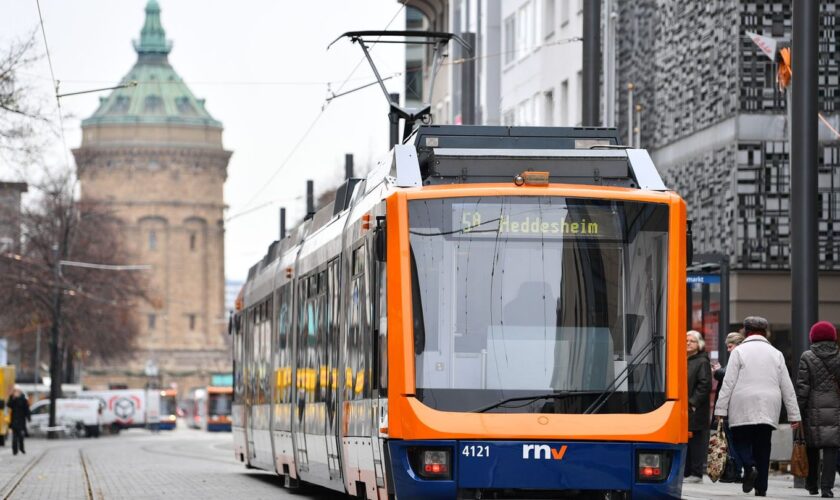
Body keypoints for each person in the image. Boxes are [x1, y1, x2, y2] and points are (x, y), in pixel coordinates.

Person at [714, 316, 801, 497]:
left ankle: (749, 466)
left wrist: (720, 410)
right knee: (763, 445)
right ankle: (761, 488)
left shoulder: (739, 352)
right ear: (765, 332)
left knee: (740, 440)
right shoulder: (776, 353)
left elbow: (728, 383)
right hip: (769, 404)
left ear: (745, 331)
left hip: (742, 403)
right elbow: (787, 385)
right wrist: (794, 415)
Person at [796, 321, 840, 498]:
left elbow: (802, 386)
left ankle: (812, 484)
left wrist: (797, 410)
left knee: (812, 446)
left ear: (813, 337)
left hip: (812, 408)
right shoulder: (839, 356)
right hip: (836, 408)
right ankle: (827, 489)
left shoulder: (807, 356)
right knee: (831, 448)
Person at [714, 331, 746, 483]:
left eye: (730, 346)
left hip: (732, 409)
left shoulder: (738, 357)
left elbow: (726, 376)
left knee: (733, 441)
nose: (728, 350)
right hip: (737, 407)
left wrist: (716, 371)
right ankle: (738, 471)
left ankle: (735, 471)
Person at [684, 330, 712, 483]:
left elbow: (704, 384)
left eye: (692, 341)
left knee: (695, 441)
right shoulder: (684, 359)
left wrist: (693, 403)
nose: (688, 343)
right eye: (686, 340)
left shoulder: (701, 361)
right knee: (686, 440)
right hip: (684, 408)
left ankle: (696, 473)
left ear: (699, 344)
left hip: (695, 409)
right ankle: (687, 472)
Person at [6, 386, 30, 456]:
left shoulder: (23, 399)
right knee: (14, 437)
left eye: (17, 391)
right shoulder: (12, 398)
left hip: (21, 420)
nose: (16, 392)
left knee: (21, 436)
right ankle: (15, 450)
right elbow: (9, 405)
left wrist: (28, 417)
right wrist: (13, 397)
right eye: (15, 391)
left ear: (20, 392)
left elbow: (26, 409)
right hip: (14, 420)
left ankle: (21, 448)